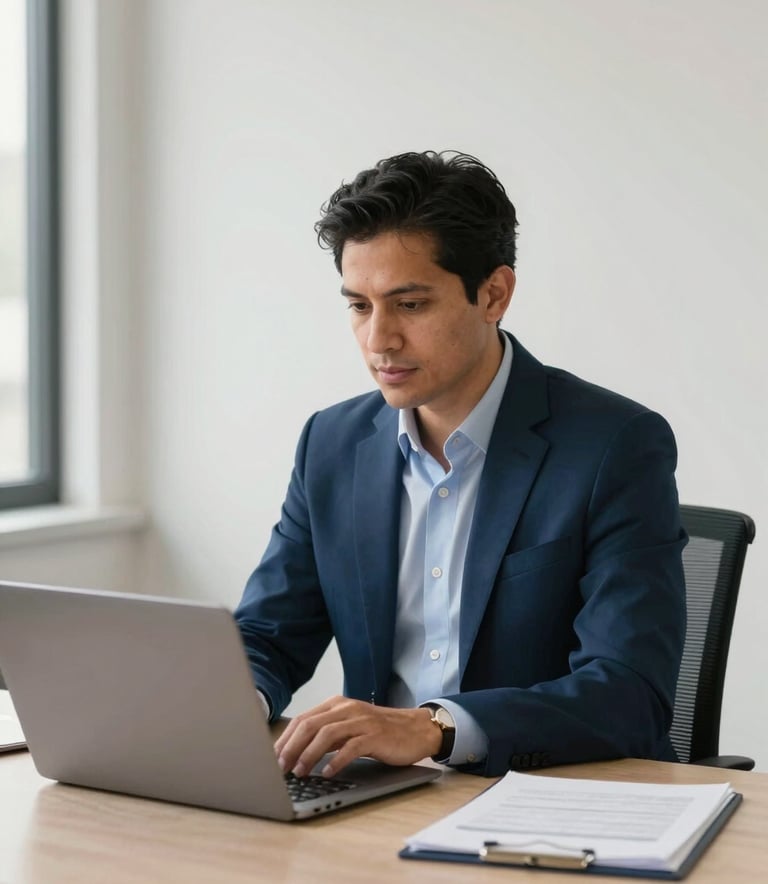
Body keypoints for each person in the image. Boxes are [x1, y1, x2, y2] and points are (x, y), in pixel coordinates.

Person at [234, 150, 686, 780]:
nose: (378, 340)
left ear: (493, 294)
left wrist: (432, 728)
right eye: (359, 306)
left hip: (543, 799)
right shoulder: (332, 443)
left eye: (410, 305)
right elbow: (267, 634)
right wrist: (230, 708)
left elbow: (628, 692)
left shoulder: (615, 445)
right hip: (375, 797)